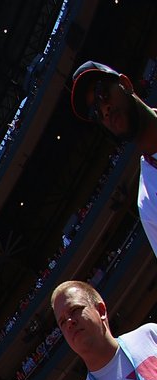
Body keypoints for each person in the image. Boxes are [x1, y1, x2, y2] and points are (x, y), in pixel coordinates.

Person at [68, 61, 157, 261]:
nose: (104, 110)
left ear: (125, 83)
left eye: (102, 94)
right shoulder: (149, 202)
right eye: (95, 112)